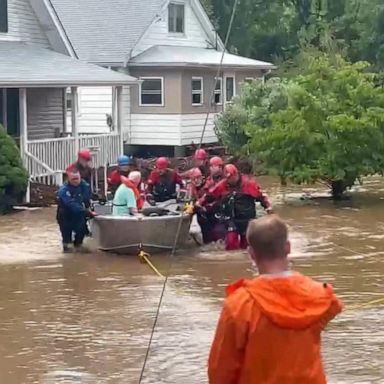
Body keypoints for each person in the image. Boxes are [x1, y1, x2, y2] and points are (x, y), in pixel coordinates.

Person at [208, 215, 343, 384]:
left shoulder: (239, 304)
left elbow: (220, 369)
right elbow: (334, 306)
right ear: (288, 247)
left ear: (251, 253)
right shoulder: (319, 295)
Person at [199, 164, 272, 250]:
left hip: (246, 219)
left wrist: (269, 208)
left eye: (232, 177)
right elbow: (210, 195)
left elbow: (261, 197)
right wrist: (199, 203)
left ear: (237, 174)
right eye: (228, 178)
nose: (230, 180)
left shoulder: (249, 184)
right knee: (231, 243)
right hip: (231, 219)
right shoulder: (222, 185)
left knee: (246, 246)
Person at [56, 168, 96, 253]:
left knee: (81, 234)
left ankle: (79, 250)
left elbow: (87, 199)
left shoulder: (84, 185)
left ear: (80, 177)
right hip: (65, 216)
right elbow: (71, 205)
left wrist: (92, 206)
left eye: (77, 178)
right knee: (67, 243)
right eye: (73, 179)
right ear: (68, 179)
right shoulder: (63, 190)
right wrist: (86, 212)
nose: (76, 181)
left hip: (78, 215)